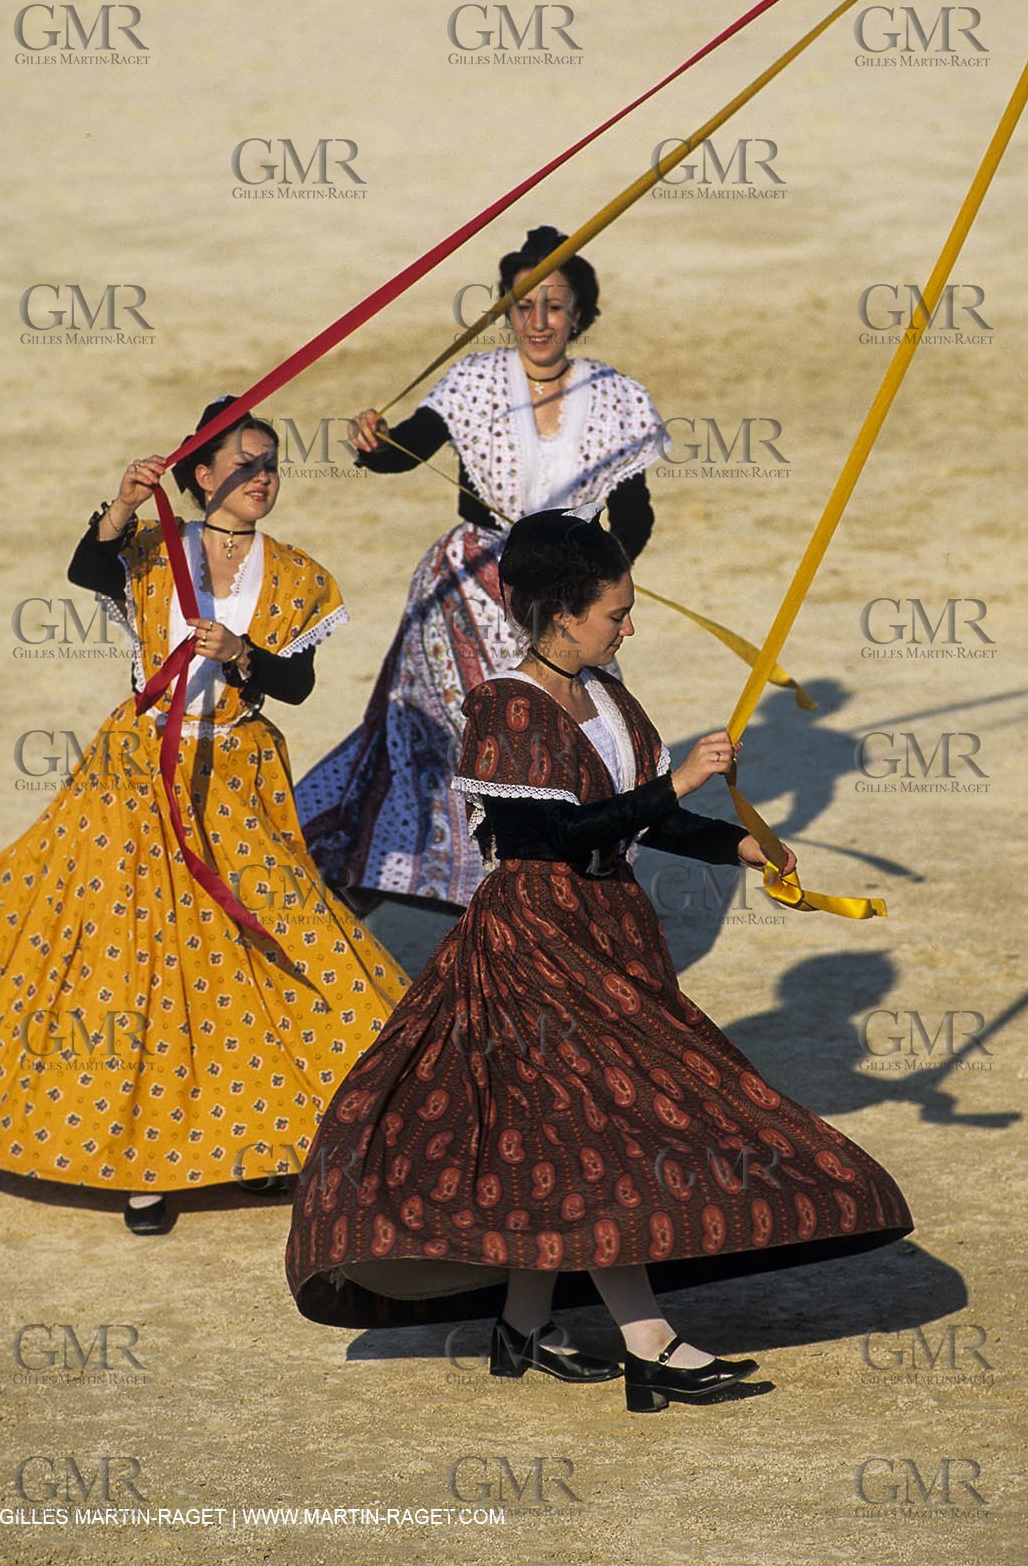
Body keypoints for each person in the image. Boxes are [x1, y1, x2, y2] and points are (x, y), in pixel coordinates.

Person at [286, 511, 912, 1414]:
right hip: (536, 942)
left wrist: (742, 847)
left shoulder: (609, 694)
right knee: (603, 1136)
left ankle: (523, 1325)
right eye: (615, 612)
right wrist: (677, 783)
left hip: (613, 936)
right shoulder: (502, 707)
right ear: (563, 613)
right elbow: (549, 835)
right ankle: (650, 1345)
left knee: (566, 1135)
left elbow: (647, 821)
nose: (628, 626)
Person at [0, 398, 408, 1235]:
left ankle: (274, 1137)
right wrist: (126, 501)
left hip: (236, 776)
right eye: (243, 465)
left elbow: (299, 687)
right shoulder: (148, 551)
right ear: (201, 476)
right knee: (136, 962)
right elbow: (83, 573)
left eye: (271, 464)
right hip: (137, 777)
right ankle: (144, 1169)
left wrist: (245, 657)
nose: (261, 479)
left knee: (271, 945)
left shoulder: (299, 575)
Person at [294, 225, 665, 912]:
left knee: (577, 740)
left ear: (579, 313)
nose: (538, 321)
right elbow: (407, 451)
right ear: (505, 310)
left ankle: (551, 892)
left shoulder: (618, 397)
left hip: (567, 600)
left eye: (554, 305)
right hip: (468, 589)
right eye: (523, 305)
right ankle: (421, 885)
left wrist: (599, 590)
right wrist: (375, 442)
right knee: (454, 746)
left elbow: (634, 515)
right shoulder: (475, 379)